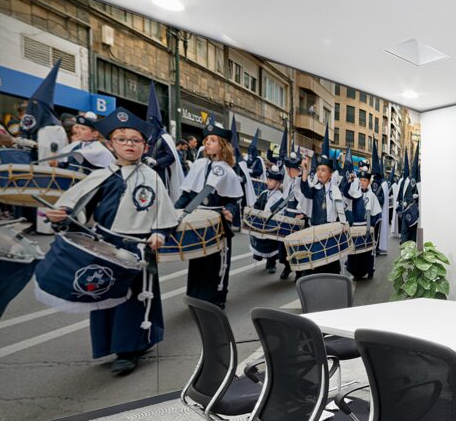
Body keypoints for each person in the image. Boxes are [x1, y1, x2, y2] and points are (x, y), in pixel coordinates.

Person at [44, 108, 179, 375]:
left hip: (137, 247)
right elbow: (78, 209)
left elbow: (164, 215)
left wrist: (159, 233)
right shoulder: (100, 175)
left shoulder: (151, 176)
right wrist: (61, 216)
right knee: (105, 296)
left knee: (133, 300)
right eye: (122, 139)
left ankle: (129, 350)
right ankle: (113, 344)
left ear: (144, 145)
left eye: (135, 140)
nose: (129, 144)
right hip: (104, 245)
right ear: (110, 143)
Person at [175, 122, 243, 308]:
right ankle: (196, 295)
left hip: (218, 221)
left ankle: (216, 296)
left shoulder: (228, 170)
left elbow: (233, 199)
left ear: (222, 144)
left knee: (216, 262)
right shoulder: (198, 164)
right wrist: (175, 212)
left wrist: (231, 211)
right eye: (206, 140)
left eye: (213, 140)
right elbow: (187, 194)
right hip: (198, 219)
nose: (208, 143)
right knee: (197, 259)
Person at [297, 153, 348, 275]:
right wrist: (305, 171)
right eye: (318, 170)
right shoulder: (315, 189)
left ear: (330, 174)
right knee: (313, 265)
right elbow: (305, 191)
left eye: (323, 170)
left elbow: (341, 213)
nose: (319, 172)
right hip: (315, 232)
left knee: (330, 267)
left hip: (329, 233)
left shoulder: (335, 191)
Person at [344, 166, 382, 280]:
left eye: (364, 180)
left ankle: (369, 270)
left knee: (367, 252)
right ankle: (356, 273)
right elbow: (346, 193)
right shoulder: (355, 193)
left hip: (367, 228)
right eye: (360, 180)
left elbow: (377, 214)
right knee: (355, 252)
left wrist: (372, 227)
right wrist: (349, 181)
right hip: (355, 228)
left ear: (369, 182)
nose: (362, 182)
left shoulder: (372, 196)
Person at [248, 164, 287, 274]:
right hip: (261, 224)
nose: (267, 182)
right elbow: (257, 206)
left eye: (270, 180)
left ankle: (272, 263)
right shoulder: (264, 194)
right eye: (268, 179)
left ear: (278, 183)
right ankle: (261, 256)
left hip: (272, 226)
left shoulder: (280, 197)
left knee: (272, 245)